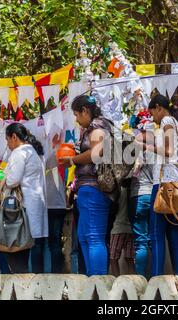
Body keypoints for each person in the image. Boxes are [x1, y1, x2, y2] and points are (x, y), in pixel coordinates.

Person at [135, 94, 178, 277]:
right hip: (175, 180)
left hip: (163, 182)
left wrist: (147, 147)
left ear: (158, 107)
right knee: (174, 234)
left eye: (152, 113)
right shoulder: (174, 121)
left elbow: (168, 151)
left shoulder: (166, 119)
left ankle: (157, 278)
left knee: (156, 234)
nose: (153, 118)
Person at [59, 95, 114, 276]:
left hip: (94, 189)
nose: (76, 119)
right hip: (86, 189)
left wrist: (73, 159)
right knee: (84, 238)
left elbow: (96, 153)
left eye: (77, 114)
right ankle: (92, 281)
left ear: (85, 111)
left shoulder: (97, 127)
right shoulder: (92, 128)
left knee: (94, 237)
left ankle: (98, 282)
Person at [4, 122, 48, 273]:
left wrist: (2, 180)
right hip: (37, 202)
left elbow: (13, 180)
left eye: (7, 140)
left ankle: (24, 281)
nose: (8, 144)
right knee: (37, 243)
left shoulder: (19, 152)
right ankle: (38, 279)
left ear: (14, 137)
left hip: (25, 205)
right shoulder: (33, 152)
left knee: (24, 244)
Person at [30, 138, 68, 273]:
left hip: (42, 206)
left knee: (38, 243)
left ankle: (38, 276)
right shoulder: (56, 153)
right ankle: (56, 275)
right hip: (58, 205)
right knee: (55, 243)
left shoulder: (32, 161)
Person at [129, 128, 154, 277]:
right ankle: (156, 276)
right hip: (152, 196)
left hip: (138, 196)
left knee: (141, 242)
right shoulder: (157, 154)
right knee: (153, 240)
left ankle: (140, 279)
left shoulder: (134, 155)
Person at [109, 185, 135, 276]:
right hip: (130, 229)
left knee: (113, 258)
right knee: (130, 258)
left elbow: (112, 209)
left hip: (118, 228)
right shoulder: (132, 189)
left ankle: (117, 282)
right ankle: (132, 282)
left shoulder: (118, 190)